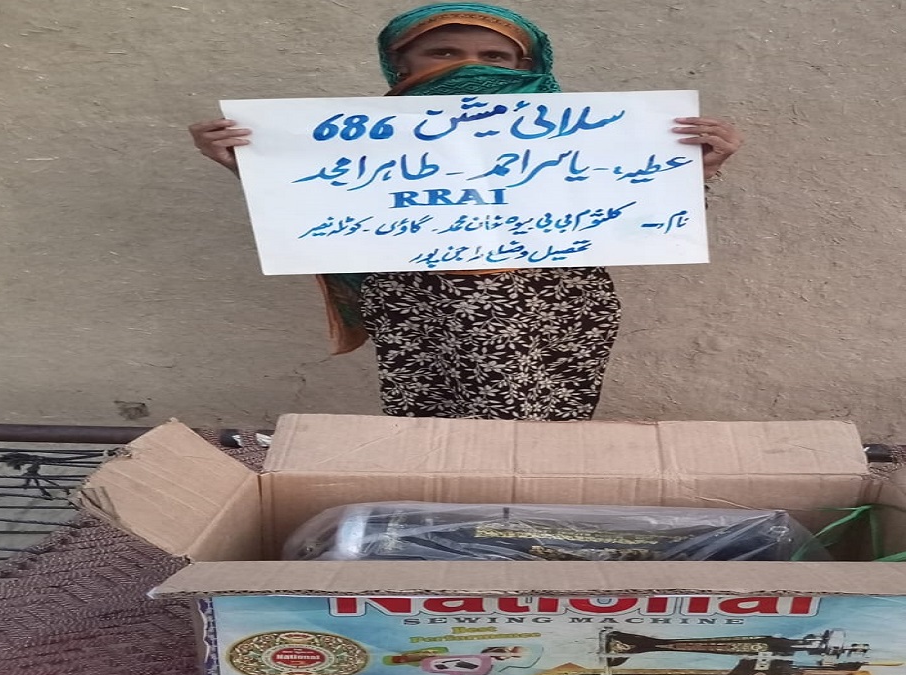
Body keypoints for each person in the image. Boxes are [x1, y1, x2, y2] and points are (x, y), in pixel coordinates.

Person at [189, 2, 742, 421]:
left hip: (550, 308)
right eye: (445, 52)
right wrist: (253, 165)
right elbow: (322, 207)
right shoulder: (352, 139)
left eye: (494, 56)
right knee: (433, 434)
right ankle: (452, 522)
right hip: (416, 307)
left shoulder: (579, 133)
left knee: (542, 430)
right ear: (400, 63)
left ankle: (525, 522)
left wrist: (695, 169)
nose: (469, 65)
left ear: (523, 65)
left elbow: (627, 209)